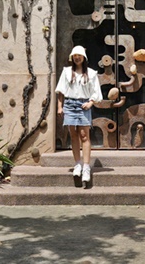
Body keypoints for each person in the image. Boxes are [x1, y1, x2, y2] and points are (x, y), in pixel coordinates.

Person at [55, 44, 103, 185]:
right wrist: (60, 107)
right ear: (72, 57)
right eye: (75, 56)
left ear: (84, 57)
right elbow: (61, 91)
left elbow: (96, 91)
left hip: (83, 105)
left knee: (84, 135)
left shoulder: (92, 73)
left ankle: (86, 167)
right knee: (73, 135)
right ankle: (77, 164)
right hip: (69, 104)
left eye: (79, 55)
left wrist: (91, 102)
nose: (77, 58)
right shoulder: (67, 72)